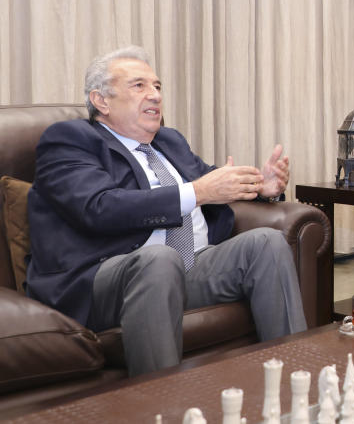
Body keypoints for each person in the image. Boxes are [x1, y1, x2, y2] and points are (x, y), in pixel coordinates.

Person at [26, 46, 307, 376]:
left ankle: (296, 384)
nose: (155, 95)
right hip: (105, 279)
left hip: (189, 267)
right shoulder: (71, 139)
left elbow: (215, 182)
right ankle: (164, 404)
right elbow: (99, 207)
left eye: (157, 86)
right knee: (159, 259)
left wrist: (262, 188)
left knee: (267, 243)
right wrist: (199, 191)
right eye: (139, 85)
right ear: (101, 100)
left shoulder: (169, 141)